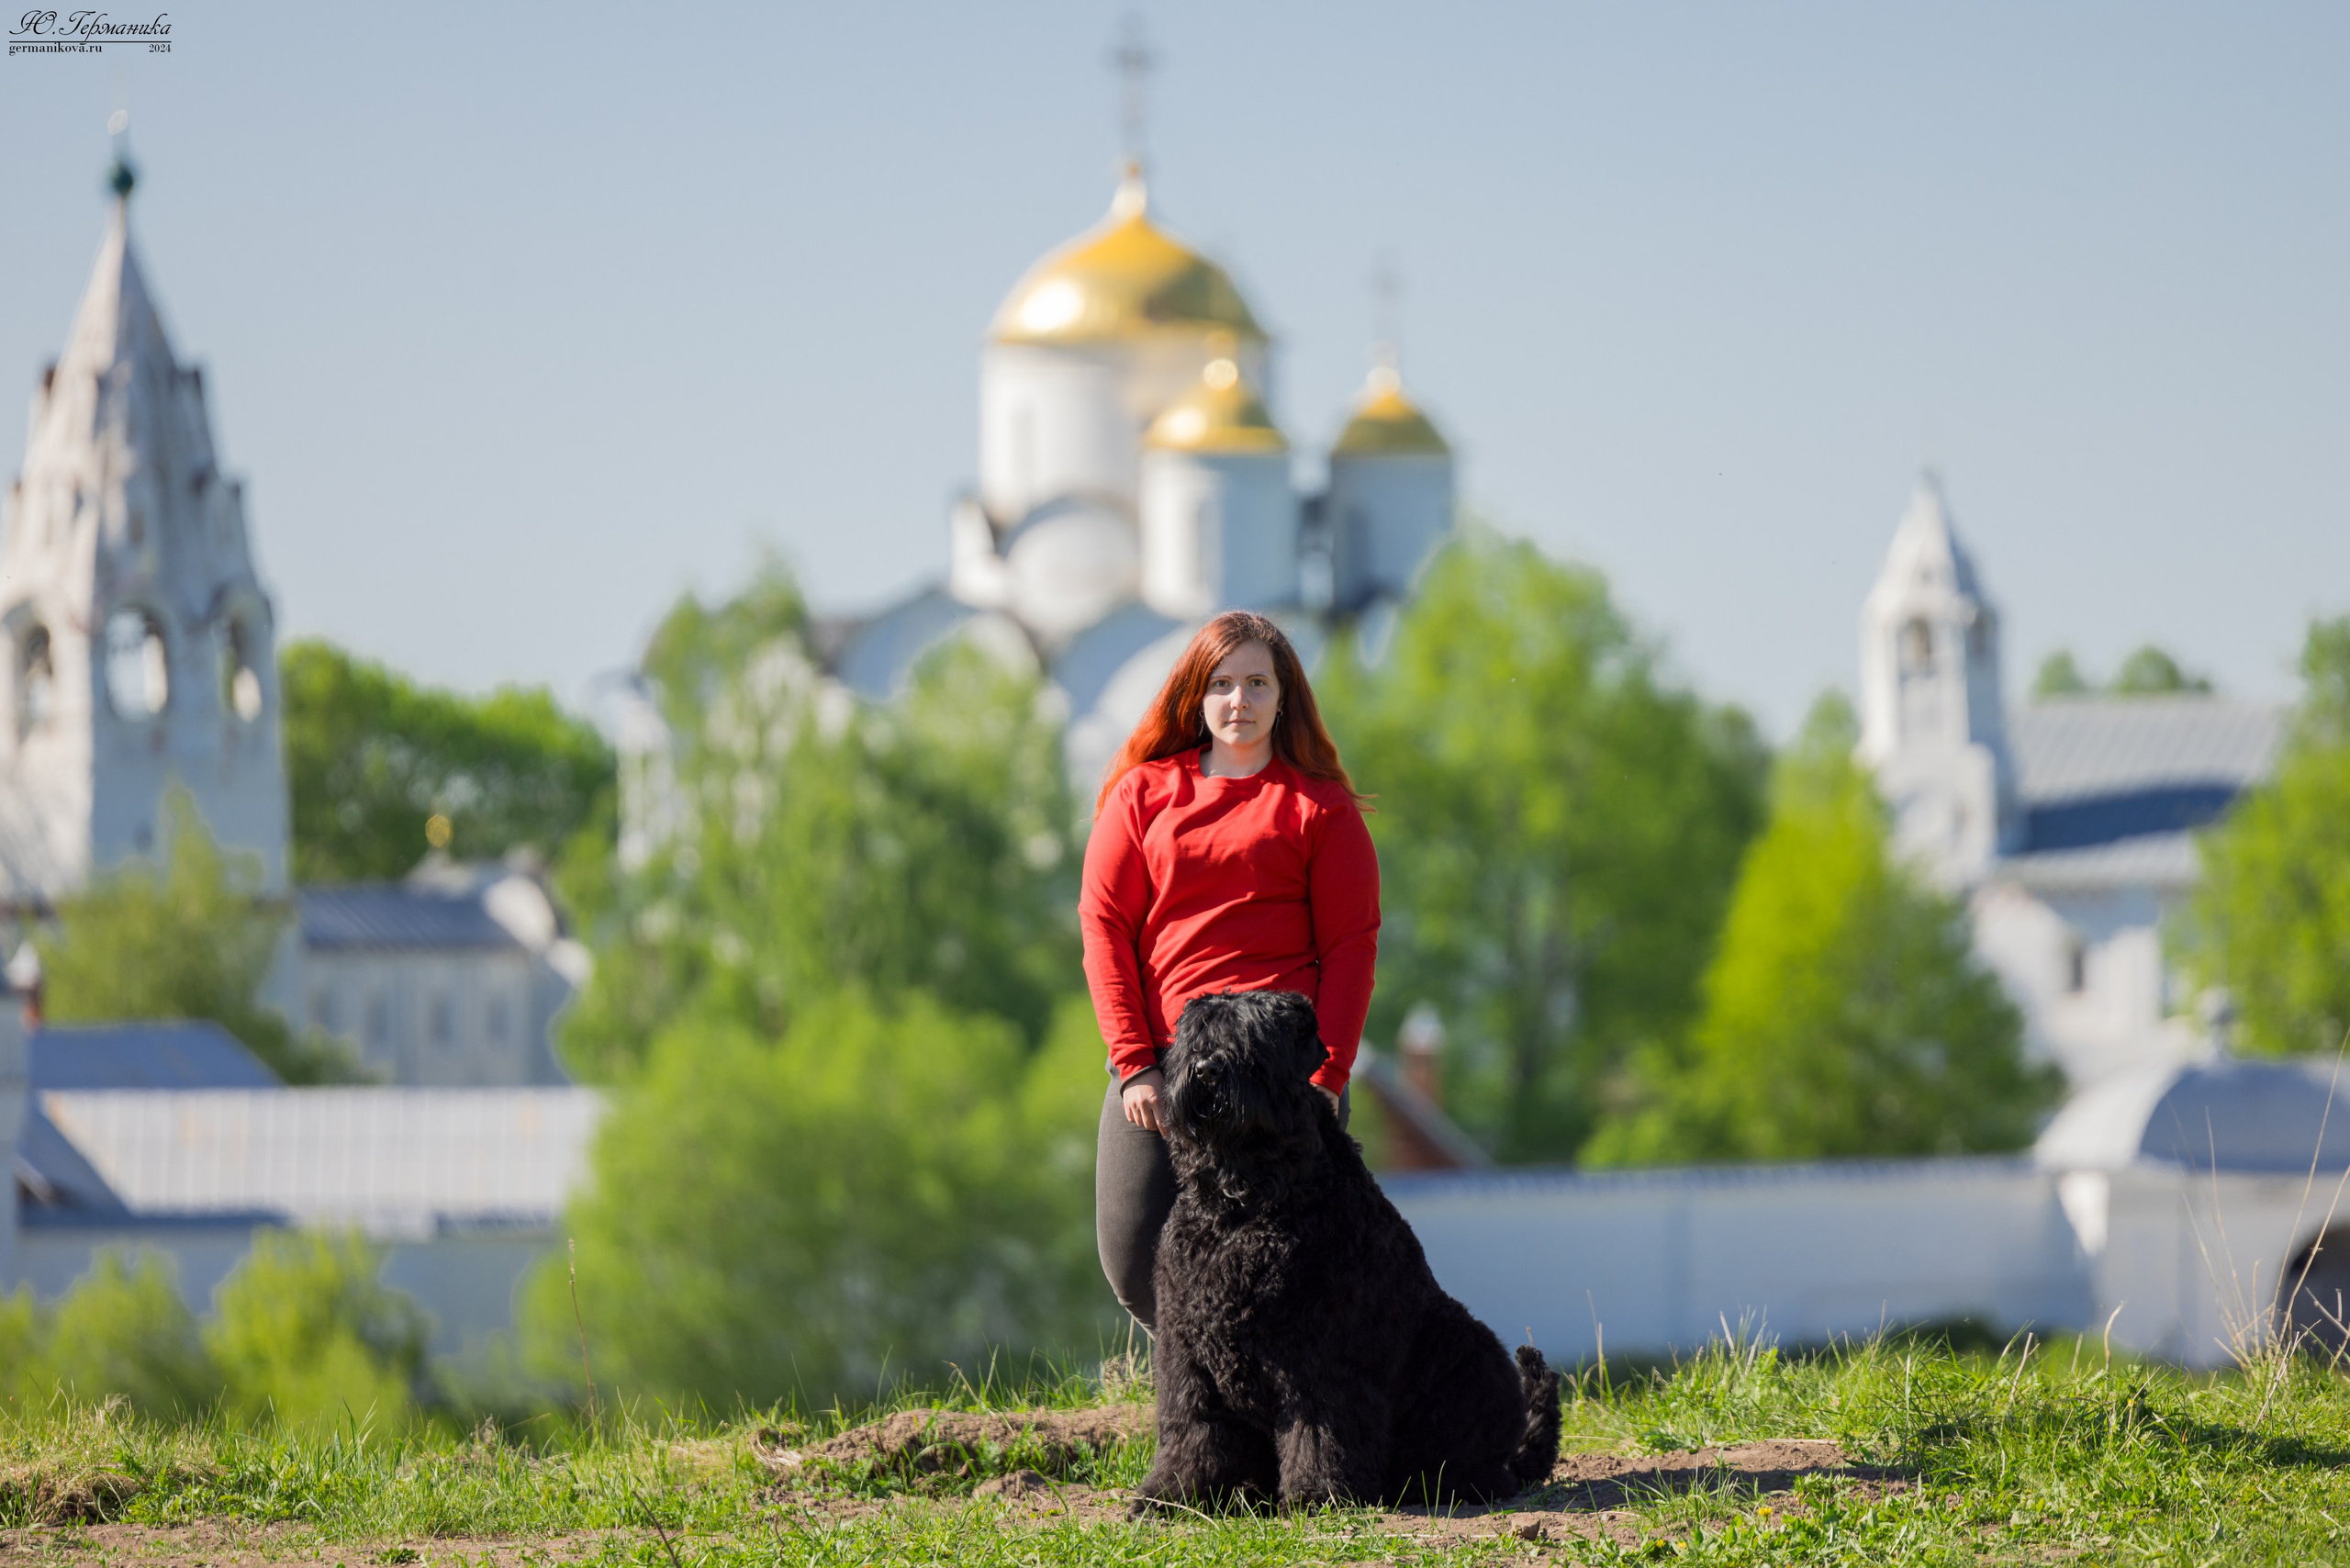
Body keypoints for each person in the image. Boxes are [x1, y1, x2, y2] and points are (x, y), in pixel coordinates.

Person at [1080, 610, 1380, 1328]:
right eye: (1221, 684)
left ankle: (1264, 1388)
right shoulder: (1143, 795)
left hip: (1280, 1073)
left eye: (1256, 683)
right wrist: (1135, 1064)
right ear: (1196, 695)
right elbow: (1104, 927)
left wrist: (1326, 1077)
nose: (1238, 700)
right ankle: (1201, 1375)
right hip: (1163, 1062)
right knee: (1133, 1261)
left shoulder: (1321, 809)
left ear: (1284, 697)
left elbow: (1352, 948)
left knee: (1287, 1271)